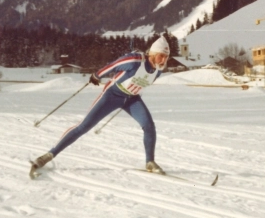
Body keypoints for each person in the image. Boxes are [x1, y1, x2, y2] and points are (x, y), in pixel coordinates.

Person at [31, 36, 170, 176]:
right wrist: (97, 75)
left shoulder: (158, 70)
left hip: (131, 99)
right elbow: (114, 65)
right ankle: (49, 155)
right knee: (83, 127)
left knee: (149, 125)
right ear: (152, 53)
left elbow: (143, 81)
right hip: (111, 96)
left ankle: (150, 162)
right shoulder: (134, 60)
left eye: (166, 57)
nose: (164, 60)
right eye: (161, 56)